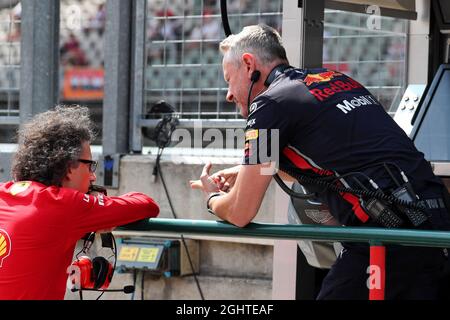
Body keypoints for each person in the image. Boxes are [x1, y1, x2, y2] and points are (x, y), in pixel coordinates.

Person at [190, 24, 450, 299]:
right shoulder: (335, 79)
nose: (228, 94)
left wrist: (212, 199)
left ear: (248, 64)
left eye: (229, 80)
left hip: (392, 238)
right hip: (437, 224)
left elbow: (241, 212)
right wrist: (243, 173)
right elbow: (333, 164)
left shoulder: (268, 105)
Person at [0, 106, 159, 300]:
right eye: (89, 165)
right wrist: (97, 206)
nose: (93, 176)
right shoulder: (65, 204)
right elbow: (147, 204)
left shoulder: (4, 191)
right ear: (68, 166)